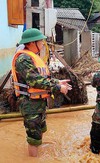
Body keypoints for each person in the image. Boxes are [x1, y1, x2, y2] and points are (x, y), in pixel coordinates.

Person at [11, 28, 72, 157]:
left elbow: (43, 78)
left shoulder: (34, 58)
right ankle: (33, 158)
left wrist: (57, 82)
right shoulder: (23, 59)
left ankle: (38, 155)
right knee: (34, 138)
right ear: (32, 43)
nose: (42, 44)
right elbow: (35, 81)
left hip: (39, 102)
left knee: (40, 130)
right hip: (30, 104)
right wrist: (58, 88)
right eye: (40, 42)